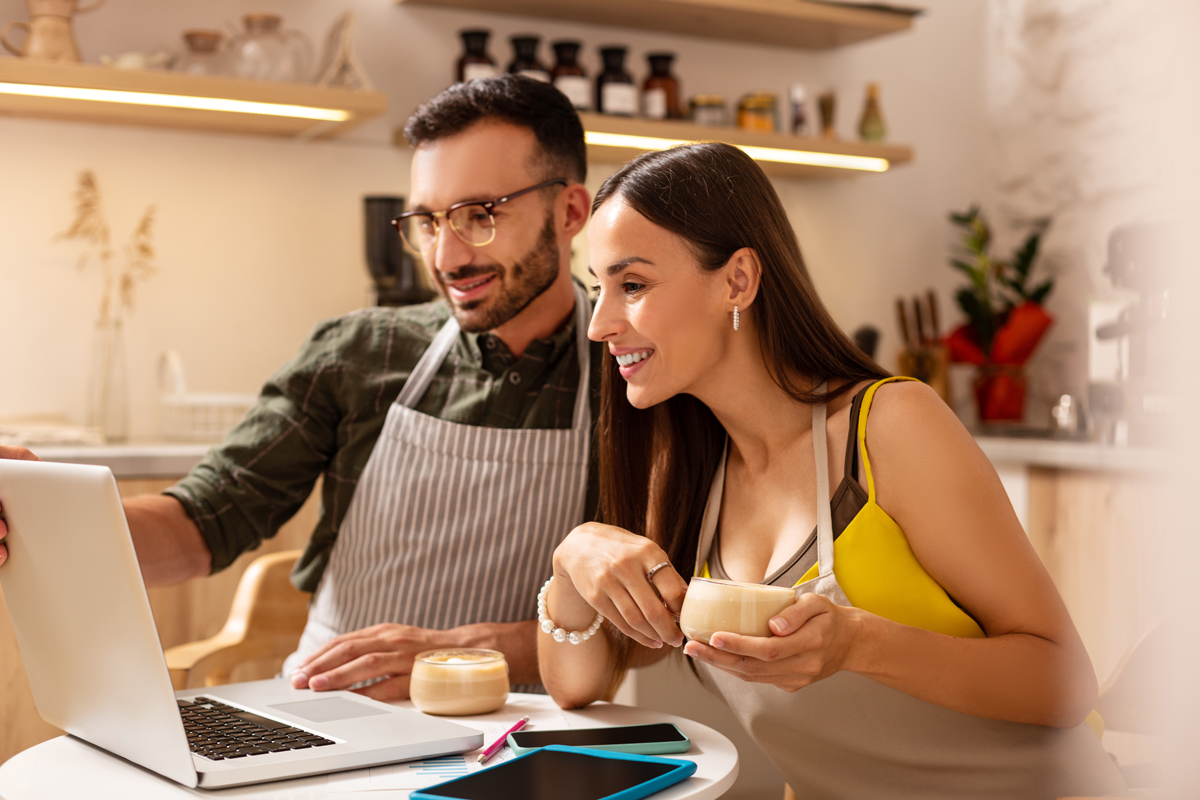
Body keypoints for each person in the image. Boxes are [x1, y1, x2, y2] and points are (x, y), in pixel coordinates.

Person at [538, 143, 1127, 798]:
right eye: (599, 289)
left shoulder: (890, 427)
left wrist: (857, 645)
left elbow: (1064, 685)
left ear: (737, 281)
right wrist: (572, 562)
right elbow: (577, 685)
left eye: (634, 286)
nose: (600, 325)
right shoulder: (687, 473)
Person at [0, 75, 599, 700]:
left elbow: (643, 629)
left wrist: (466, 650)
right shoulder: (361, 353)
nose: (446, 256)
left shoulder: (628, 383)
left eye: (480, 216)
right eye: (426, 221)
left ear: (570, 213)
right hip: (331, 706)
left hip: (521, 732)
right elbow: (204, 520)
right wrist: (40, 512)